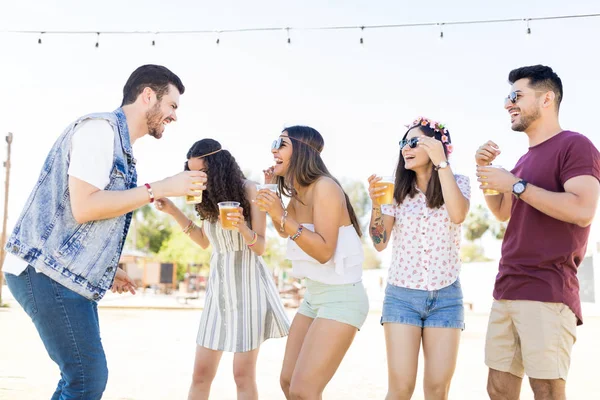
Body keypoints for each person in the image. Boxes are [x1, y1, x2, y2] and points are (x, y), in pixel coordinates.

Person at [2, 64, 205, 400]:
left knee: (80, 378)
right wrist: (161, 188)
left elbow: (86, 216)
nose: (174, 116)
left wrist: (106, 268)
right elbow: (85, 207)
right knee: (86, 378)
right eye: (172, 105)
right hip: (43, 272)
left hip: (61, 273)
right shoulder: (100, 131)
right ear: (148, 96)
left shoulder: (118, 143)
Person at [475, 65, 600, 400]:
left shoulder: (575, 145)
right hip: (508, 286)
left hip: (548, 288)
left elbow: (582, 210)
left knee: (545, 389)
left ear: (547, 98)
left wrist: (515, 185)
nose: (507, 104)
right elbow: (502, 211)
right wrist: (486, 173)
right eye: (507, 96)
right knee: (498, 389)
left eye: (517, 95)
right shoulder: (524, 160)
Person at [155, 138, 290, 400]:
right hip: (219, 291)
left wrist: (241, 226)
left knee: (242, 376)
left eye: (202, 172)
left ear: (217, 166)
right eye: (192, 172)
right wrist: (173, 211)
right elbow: (205, 241)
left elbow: (260, 246)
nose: (198, 178)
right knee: (201, 374)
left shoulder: (251, 190)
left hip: (249, 288)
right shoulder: (206, 198)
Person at [256, 125, 369, 400]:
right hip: (314, 297)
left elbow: (323, 252)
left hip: (342, 299)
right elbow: (287, 231)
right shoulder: (297, 191)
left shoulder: (325, 187)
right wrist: (275, 205)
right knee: (287, 382)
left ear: (302, 150)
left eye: (280, 144)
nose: (273, 149)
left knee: (305, 390)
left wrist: (280, 214)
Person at [368, 117, 470, 400]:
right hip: (402, 296)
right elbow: (379, 242)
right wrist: (376, 205)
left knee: (437, 390)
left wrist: (442, 163)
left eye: (414, 142)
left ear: (437, 146)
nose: (405, 148)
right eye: (403, 143)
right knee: (401, 389)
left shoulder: (458, 182)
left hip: (446, 297)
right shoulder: (395, 191)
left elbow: (458, 215)